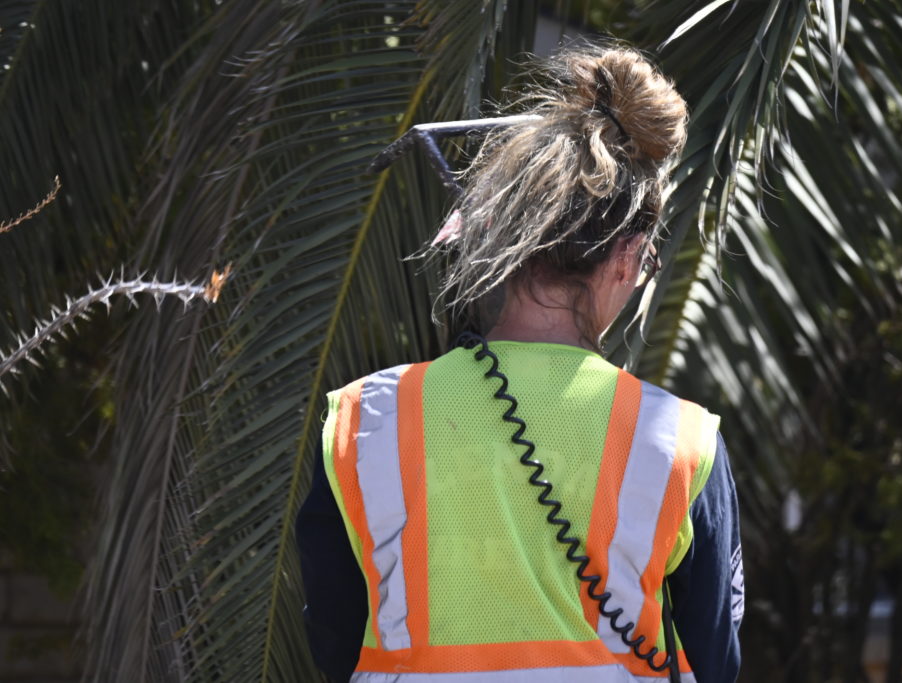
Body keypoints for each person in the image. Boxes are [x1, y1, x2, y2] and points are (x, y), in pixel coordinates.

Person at [296, 44, 742, 683]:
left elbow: (334, 632)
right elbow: (714, 657)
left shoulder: (364, 421)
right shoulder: (683, 442)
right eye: (646, 262)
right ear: (626, 256)